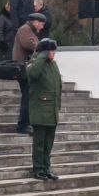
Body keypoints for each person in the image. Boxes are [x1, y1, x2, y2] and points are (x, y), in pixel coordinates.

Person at [27, 37, 63, 180]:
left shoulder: (53, 65)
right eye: (51, 51)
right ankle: (38, 169)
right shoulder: (35, 63)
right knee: (39, 144)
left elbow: (58, 85)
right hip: (40, 111)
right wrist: (41, 56)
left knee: (48, 144)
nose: (54, 53)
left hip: (51, 111)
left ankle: (46, 168)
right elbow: (33, 74)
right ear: (45, 51)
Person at [12, 12, 46, 134]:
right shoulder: (25, 29)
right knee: (27, 97)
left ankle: (26, 123)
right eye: (41, 24)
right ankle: (23, 125)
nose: (42, 27)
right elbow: (28, 44)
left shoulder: (29, 30)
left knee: (29, 96)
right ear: (35, 22)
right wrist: (43, 47)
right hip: (23, 68)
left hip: (25, 68)